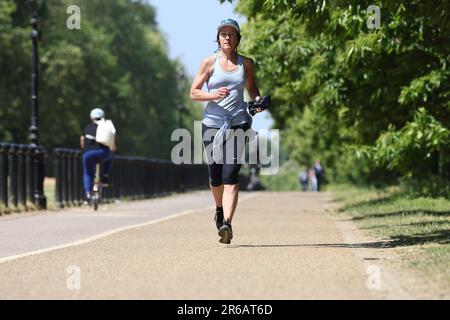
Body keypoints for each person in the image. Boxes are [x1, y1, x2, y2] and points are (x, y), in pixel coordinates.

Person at [190, 18, 264, 244]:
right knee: (215, 176)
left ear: (238, 38)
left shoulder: (246, 64)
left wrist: (258, 101)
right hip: (212, 123)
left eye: (231, 34)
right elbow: (193, 92)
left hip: (238, 122)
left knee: (230, 175)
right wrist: (213, 95)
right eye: (223, 34)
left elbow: (251, 88)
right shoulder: (209, 63)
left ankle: (227, 224)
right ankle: (219, 209)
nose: (227, 37)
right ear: (218, 38)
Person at [80, 108, 116, 205]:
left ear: (92, 117)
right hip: (102, 152)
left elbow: (82, 143)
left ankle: (88, 194)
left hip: (88, 154)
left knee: (87, 173)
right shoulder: (106, 127)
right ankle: (105, 176)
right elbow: (112, 145)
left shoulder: (87, 127)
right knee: (110, 156)